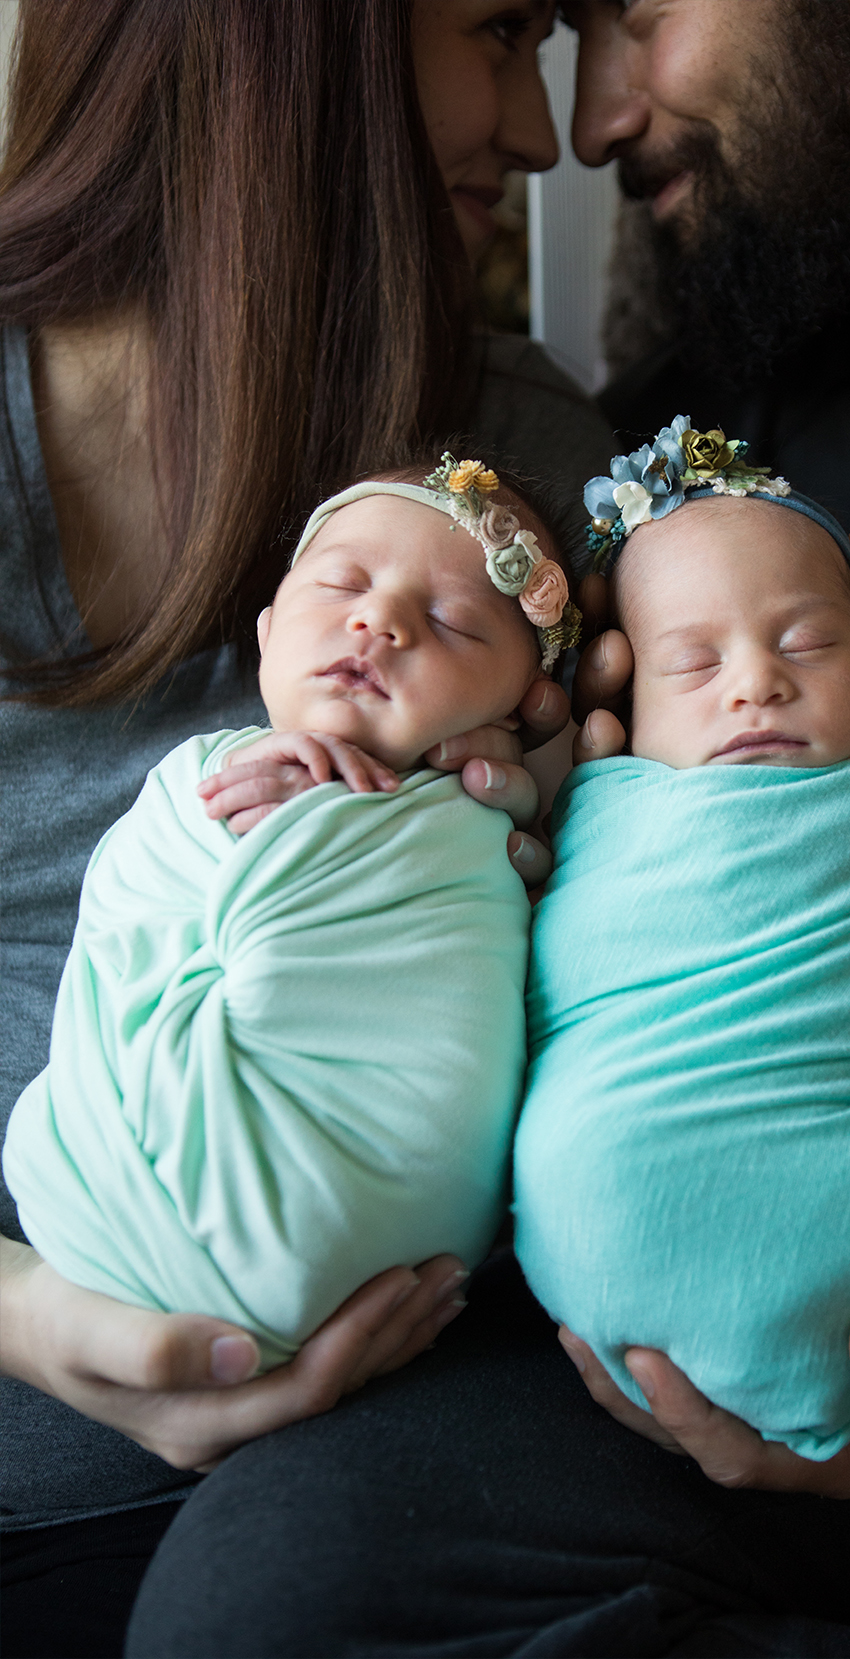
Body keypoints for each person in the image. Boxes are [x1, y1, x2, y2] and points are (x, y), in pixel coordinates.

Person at [125, 5, 850, 1653]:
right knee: (283, 1586)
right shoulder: (673, 464)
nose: (587, 124)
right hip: (711, 1301)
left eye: (636, 16)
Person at [0, 4, 615, 1651]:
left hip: (395, 1474)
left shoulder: (522, 491)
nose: (546, 133)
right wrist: (19, 1312)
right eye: (498, 34)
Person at [515, 421, 850, 1459]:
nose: (756, 681)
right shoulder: (606, 802)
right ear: (625, 701)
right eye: (693, 663)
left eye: (806, 644)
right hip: (640, 1156)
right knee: (584, 1156)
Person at [7, 456, 572, 1365]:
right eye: (342, 584)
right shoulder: (196, 780)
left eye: (451, 624)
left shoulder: (483, 824)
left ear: (517, 707)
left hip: (383, 1216)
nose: (379, 619)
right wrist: (263, 830)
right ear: (267, 635)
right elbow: (131, 921)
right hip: (112, 1228)